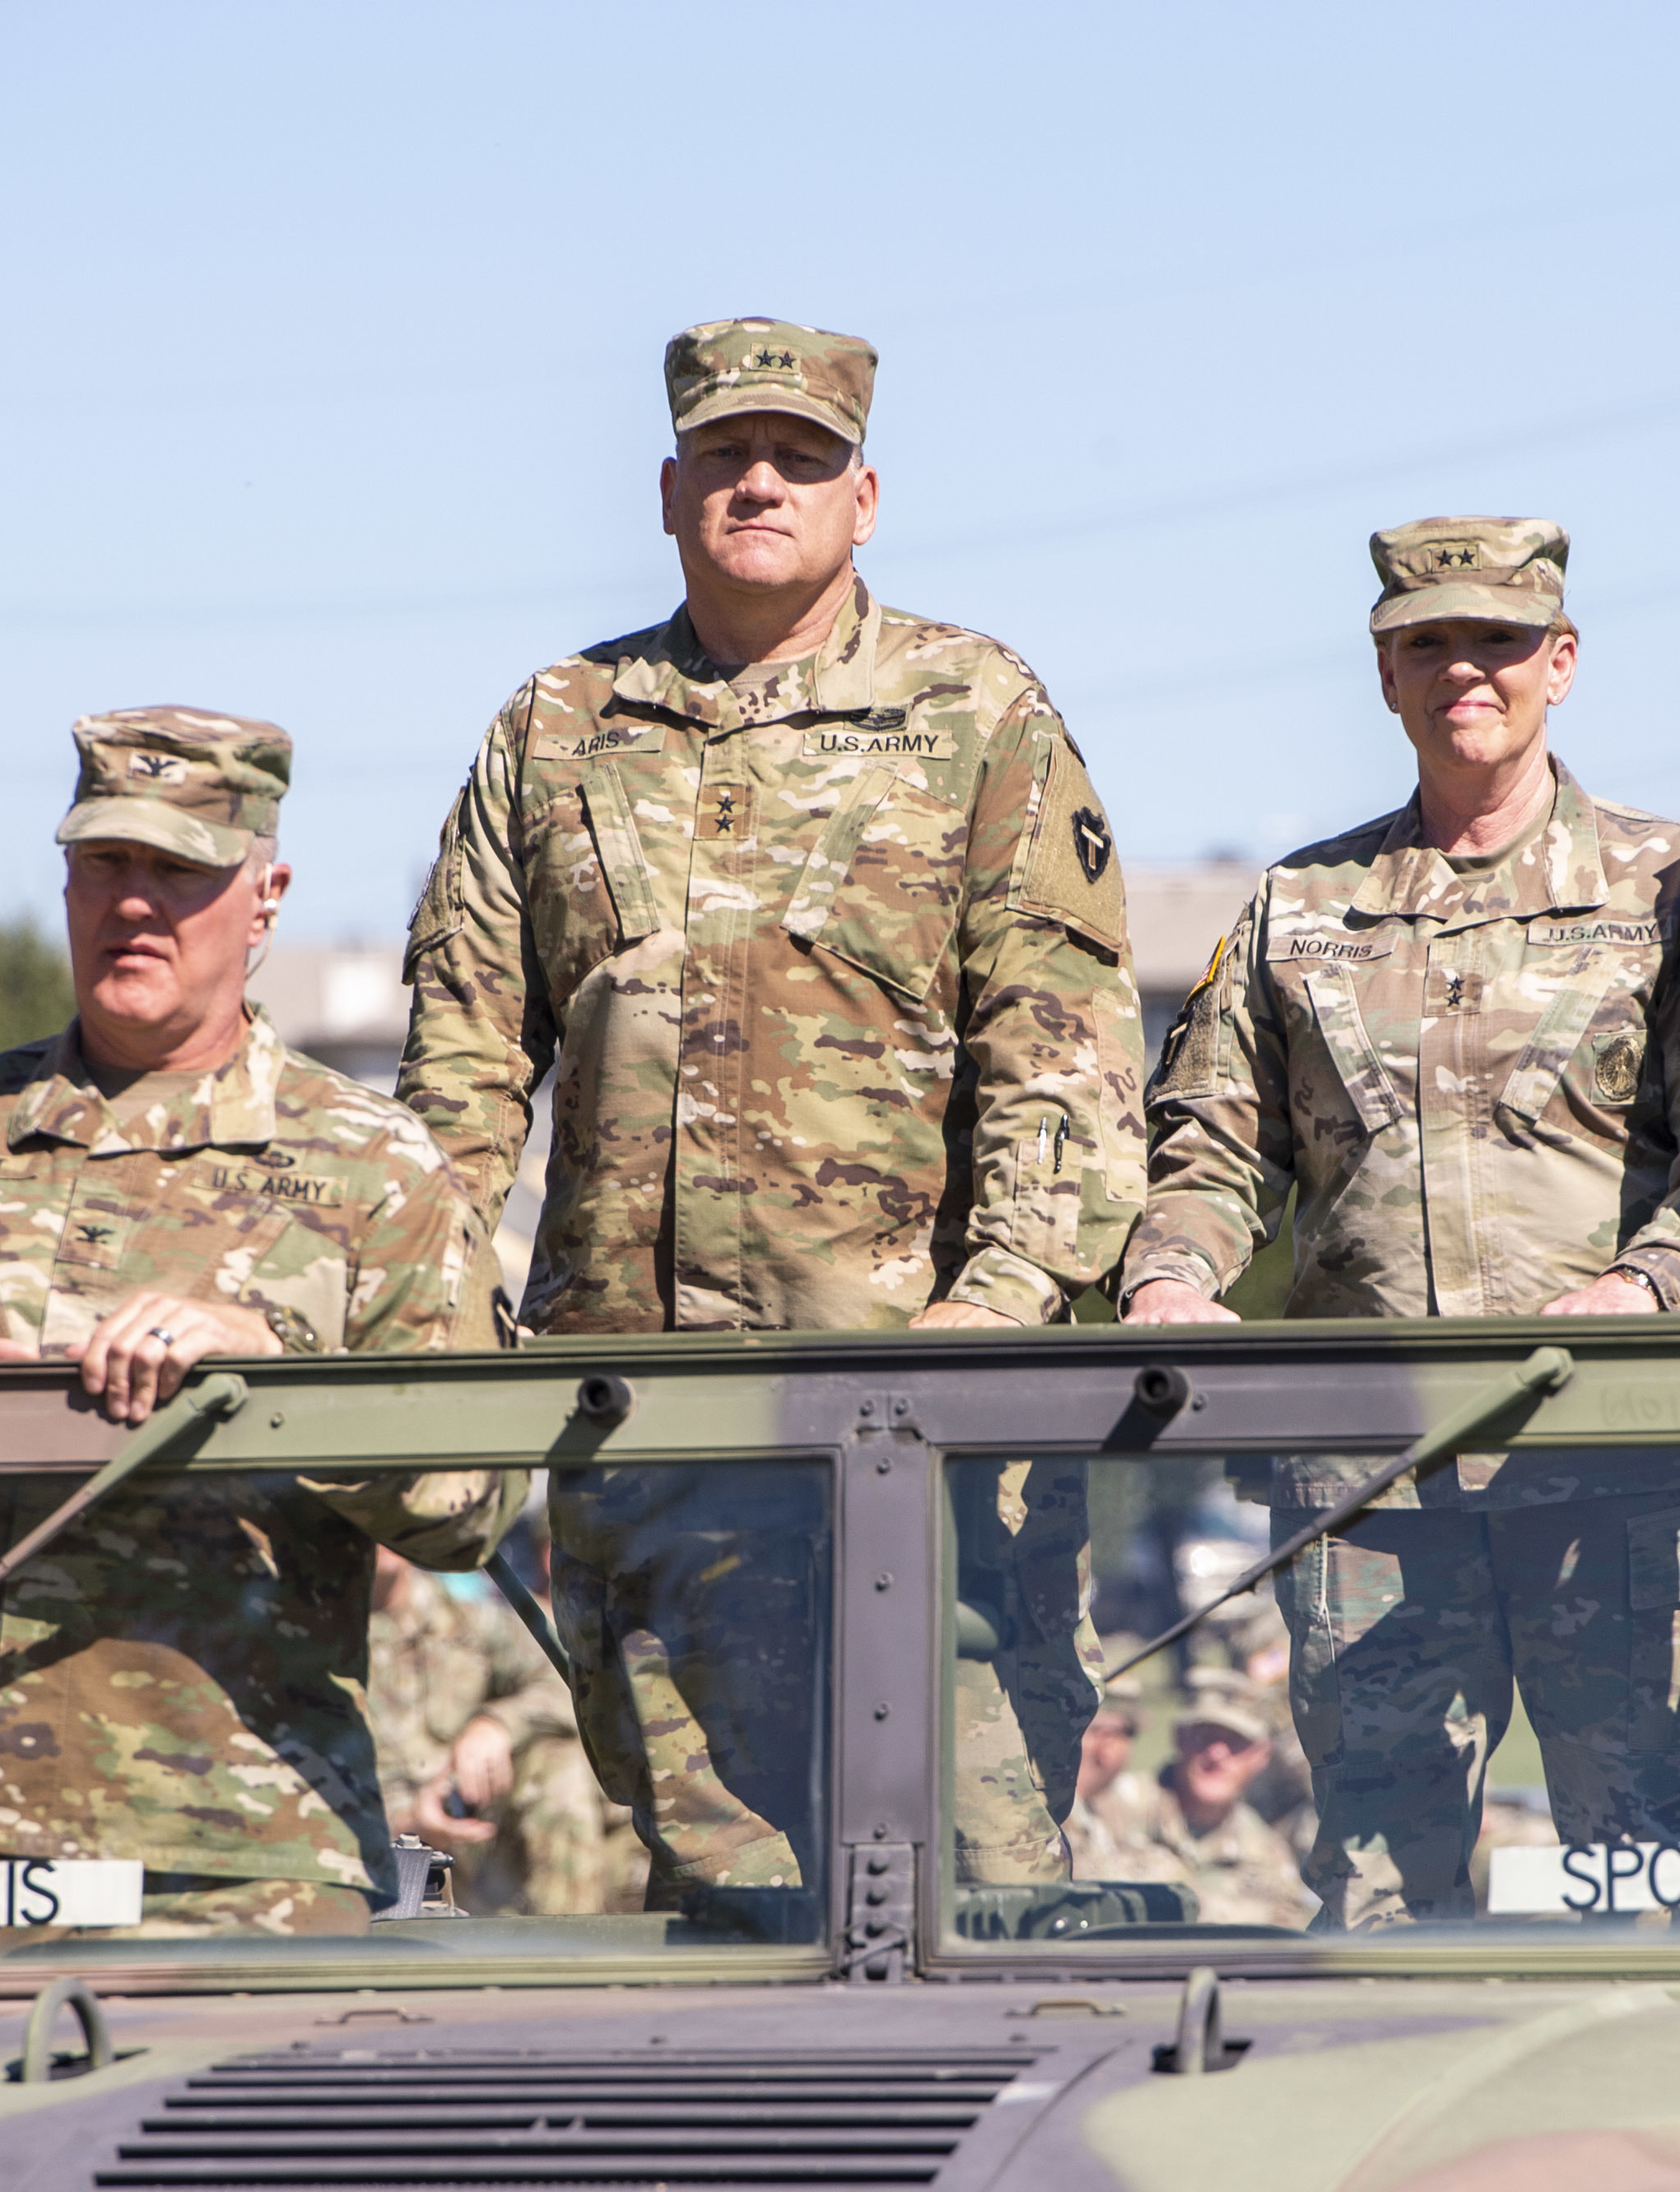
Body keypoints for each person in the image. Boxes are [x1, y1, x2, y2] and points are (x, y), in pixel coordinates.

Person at [394, 319, 1146, 1901]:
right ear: (669, 491)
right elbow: (462, 1065)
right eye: (726, 457)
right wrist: (429, 1311)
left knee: (977, 1890)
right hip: (638, 1423)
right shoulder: (554, 729)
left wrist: (999, 1305)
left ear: (862, 496)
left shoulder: (974, 712)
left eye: (799, 459)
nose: (760, 483)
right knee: (718, 1905)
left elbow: (1063, 1047)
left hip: (912, 1433)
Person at [0, 706, 513, 1937]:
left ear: (265, 896)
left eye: (180, 872)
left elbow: (477, 1498)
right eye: (106, 866)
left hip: (245, 1858)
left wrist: (276, 1379)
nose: (136, 904)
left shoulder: (373, 1168)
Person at [1121, 518, 1680, 1922]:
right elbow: (1210, 1144)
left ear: (1559, 663)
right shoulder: (1297, 907)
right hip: (1371, 1485)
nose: (1466, 671)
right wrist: (1172, 1275)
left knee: (1649, 1877)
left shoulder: (1672, 889)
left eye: (1498, 643)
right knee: (1376, 1894)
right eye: (1427, 645)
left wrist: (1646, 1287)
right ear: (1385, 674)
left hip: (1614, 1467)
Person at [361, 1552, 626, 1918]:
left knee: (558, 1761)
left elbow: (572, 1687)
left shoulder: (466, 1621)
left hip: (474, 1840)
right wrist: (410, 1824)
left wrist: (497, 1724)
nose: (374, 1534)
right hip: (364, 1855)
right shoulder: (300, 1643)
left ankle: (570, 1954)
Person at [1068, 1673, 1316, 1930]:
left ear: (1261, 1755)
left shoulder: (1268, 1857)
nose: (1217, 1754)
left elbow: (1283, 1950)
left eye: (1235, 1742)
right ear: (1178, 1738)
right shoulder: (1105, 1810)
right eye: (1205, 1736)